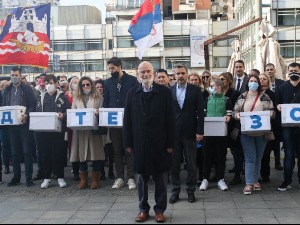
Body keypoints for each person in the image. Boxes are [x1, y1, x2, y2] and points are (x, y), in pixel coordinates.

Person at [124, 61, 175, 223]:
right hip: (139, 143)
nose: (145, 74)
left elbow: (171, 119)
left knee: (160, 178)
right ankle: (143, 209)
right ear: (138, 74)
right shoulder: (132, 93)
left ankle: (160, 210)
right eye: (142, 72)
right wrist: (128, 143)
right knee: (141, 179)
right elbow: (127, 120)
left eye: (147, 71)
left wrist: (170, 143)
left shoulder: (165, 92)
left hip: (160, 143)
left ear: (152, 72)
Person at [233, 74, 275, 195]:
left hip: (262, 133)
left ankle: (255, 181)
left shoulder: (265, 97)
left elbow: (272, 110)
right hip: (247, 133)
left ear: (259, 83)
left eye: (255, 81)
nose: (253, 83)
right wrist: (237, 115)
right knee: (250, 158)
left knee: (258, 157)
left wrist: (272, 114)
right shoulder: (242, 96)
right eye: (251, 81)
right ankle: (248, 183)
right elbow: (235, 110)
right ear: (247, 83)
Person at [169, 64, 204, 204]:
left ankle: (191, 191)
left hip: (190, 133)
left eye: (183, 73)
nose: (180, 76)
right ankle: (175, 191)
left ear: (187, 74)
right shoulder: (169, 90)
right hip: (173, 133)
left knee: (191, 164)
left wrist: (200, 131)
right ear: (174, 75)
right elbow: (166, 114)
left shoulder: (195, 90)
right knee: (174, 165)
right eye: (178, 73)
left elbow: (201, 113)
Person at [103, 57, 139, 190]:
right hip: (113, 121)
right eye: (109, 69)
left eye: (113, 68)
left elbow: (136, 98)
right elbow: (106, 101)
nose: (111, 71)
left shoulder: (132, 81)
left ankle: (130, 177)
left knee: (129, 149)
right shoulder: (107, 83)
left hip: (129, 120)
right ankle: (119, 178)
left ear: (119, 67)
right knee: (116, 150)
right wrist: (102, 113)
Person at [2, 67, 36, 187]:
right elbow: (4, 106)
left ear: (20, 76)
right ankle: (16, 177)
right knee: (14, 152)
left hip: (24, 125)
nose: (14, 77)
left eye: (16, 75)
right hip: (11, 126)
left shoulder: (27, 89)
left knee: (27, 151)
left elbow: (33, 105)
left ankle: (28, 178)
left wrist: (27, 115)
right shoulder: (6, 90)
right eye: (12, 75)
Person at [35, 75, 71, 189]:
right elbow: (36, 111)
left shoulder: (62, 97)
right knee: (45, 154)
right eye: (47, 83)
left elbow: (68, 112)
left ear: (56, 83)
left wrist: (63, 115)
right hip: (43, 131)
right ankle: (47, 178)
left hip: (58, 131)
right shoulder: (41, 97)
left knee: (59, 154)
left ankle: (60, 177)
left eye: (51, 83)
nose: (49, 85)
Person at [70, 77, 105, 189]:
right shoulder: (76, 98)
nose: (85, 87)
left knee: (95, 155)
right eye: (83, 85)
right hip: (80, 131)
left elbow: (102, 111)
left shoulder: (98, 97)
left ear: (91, 85)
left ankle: (96, 180)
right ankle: (83, 180)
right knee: (82, 156)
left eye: (87, 84)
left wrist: (98, 112)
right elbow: (72, 112)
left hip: (93, 130)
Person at [200, 79, 232, 192]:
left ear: (219, 87)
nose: (211, 88)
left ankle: (221, 179)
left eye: (212, 86)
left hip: (221, 133)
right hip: (208, 133)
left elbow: (229, 114)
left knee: (220, 156)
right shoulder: (207, 99)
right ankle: (205, 179)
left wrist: (228, 117)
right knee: (207, 156)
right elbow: (202, 113)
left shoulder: (226, 100)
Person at [277, 62, 300, 191]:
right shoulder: (282, 87)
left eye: (296, 70)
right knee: (289, 154)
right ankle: (287, 180)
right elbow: (276, 102)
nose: (293, 73)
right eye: (291, 71)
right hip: (288, 127)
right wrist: (278, 106)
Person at [220, 72, 244, 185]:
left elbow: (238, 110)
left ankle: (237, 175)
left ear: (229, 80)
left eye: (223, 79)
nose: (221, 81)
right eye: (219, 79)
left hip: (233, 126)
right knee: (221, 153)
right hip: (220, 126)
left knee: (236, 152)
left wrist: (237, 127)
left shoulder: (235, 93)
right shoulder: (217, 93)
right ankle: (220, 175)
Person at [95, 79, 115, 181]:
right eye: (97, 87)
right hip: (99, 127)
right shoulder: (94, 99)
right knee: (101, 151)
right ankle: (102, 172)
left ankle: (111, 171)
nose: (99, 89)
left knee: (110, 151)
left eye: (101, 87)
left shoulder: (108, 97)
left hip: (109, 126)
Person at [259, 73, 277, 183]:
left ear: (268, 81)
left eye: (264, 79)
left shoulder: (272, 94)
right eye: (260, 79)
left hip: (268, 127)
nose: (261, 81)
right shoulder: (253, 94)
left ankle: (265, 175)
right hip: (255, 127)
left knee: (266, 153)